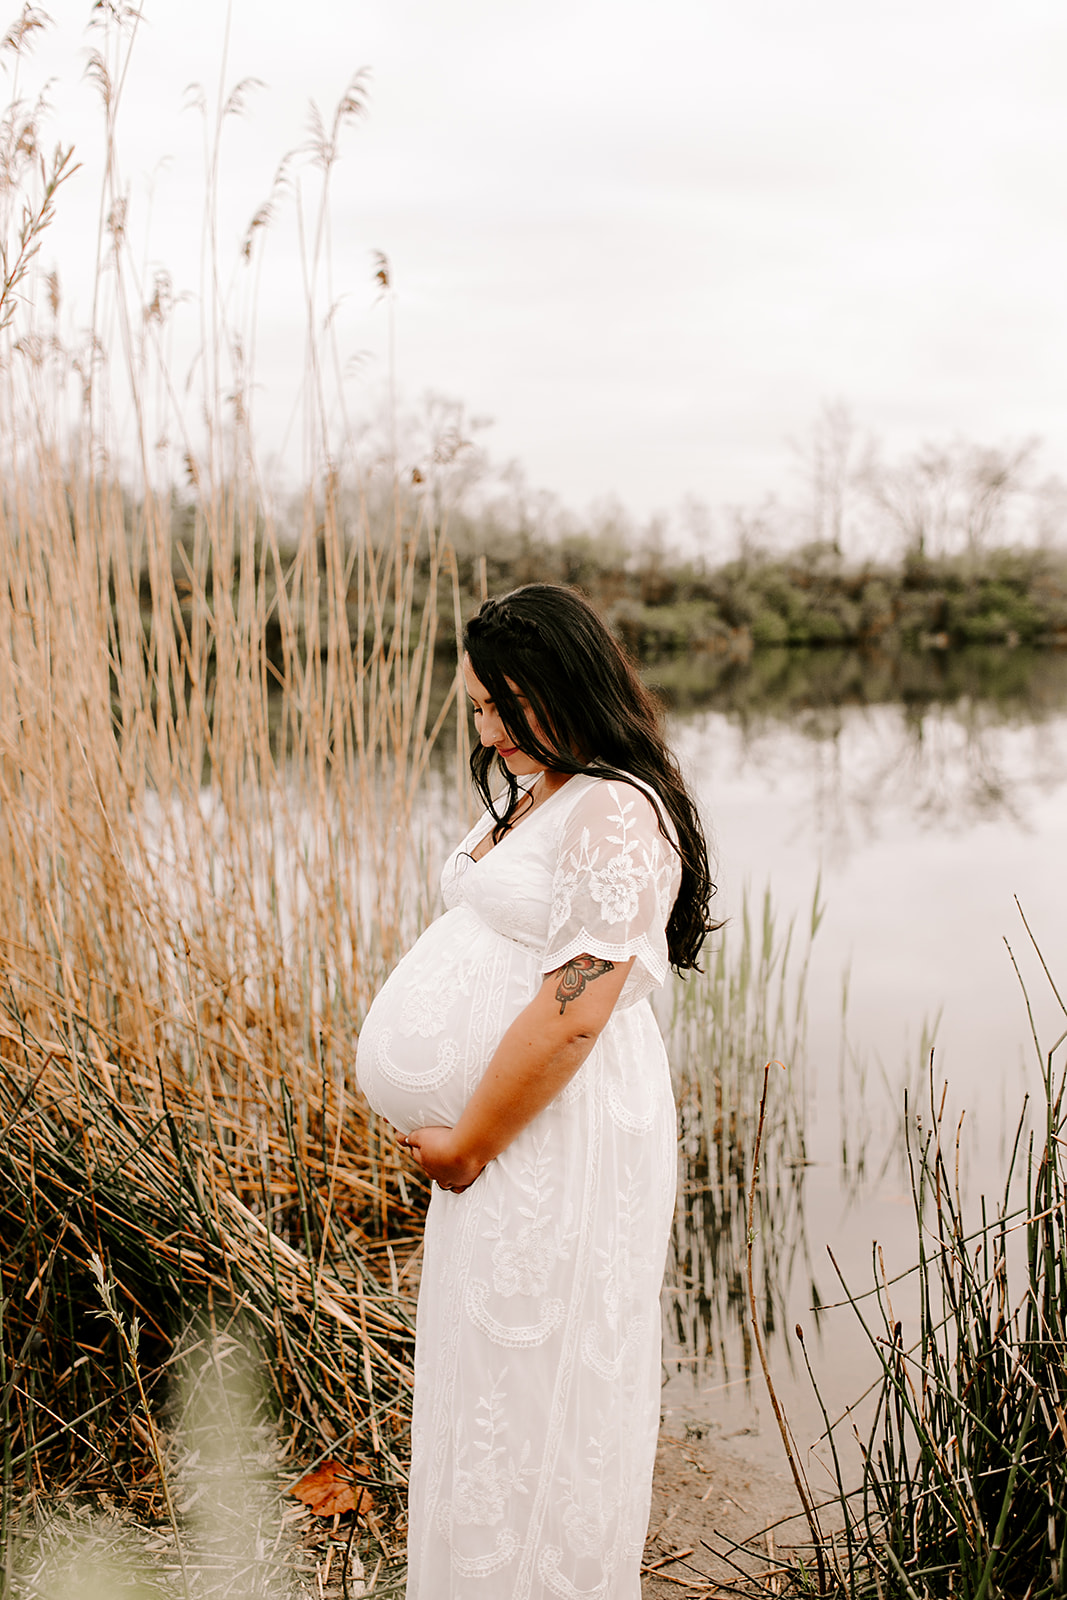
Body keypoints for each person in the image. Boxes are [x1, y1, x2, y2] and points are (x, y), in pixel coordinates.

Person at [355, 583, 716, 1600]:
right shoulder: (539, 790)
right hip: (510, 1134)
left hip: (554, 1132)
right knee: (487, 1385)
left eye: (512, 701)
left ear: (574, 684)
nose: (494, 727)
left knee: (545, 1380)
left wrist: (470, 1139)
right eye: (478, 704)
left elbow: (575, 1005)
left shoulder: (613, 806)